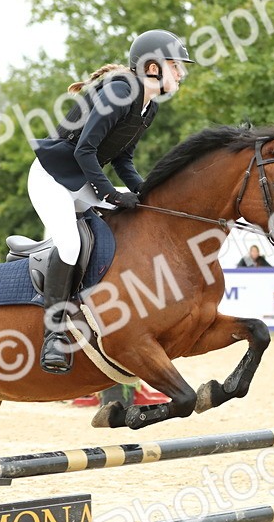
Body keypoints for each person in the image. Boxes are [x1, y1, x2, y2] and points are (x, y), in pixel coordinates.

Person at [29, 29, 194, 374]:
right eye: (175, 66)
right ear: (152, 68)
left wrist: (149, 195)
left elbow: (123, 161)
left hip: (80, 178)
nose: (180, 73)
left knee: (126, 228)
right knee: (71, 245)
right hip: (52, 177)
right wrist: (111, 193)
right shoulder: (120, 92)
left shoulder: (147, 107)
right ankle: (54, 336)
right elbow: (84, 149)